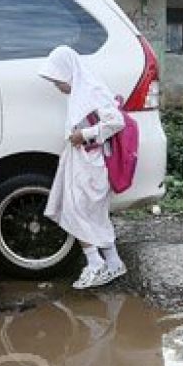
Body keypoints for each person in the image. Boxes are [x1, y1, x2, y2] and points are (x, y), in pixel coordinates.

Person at [39, 46, 127, 289]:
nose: (58, 87)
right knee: (92, 214)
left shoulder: (92, 90)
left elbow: (116, 122)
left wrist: (85, 135)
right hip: (84, 161)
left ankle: (95, 264)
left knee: (77, 212)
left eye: (58, 80)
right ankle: (113, 262)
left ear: (69, 73)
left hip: (93, 162)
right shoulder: (80, 92)